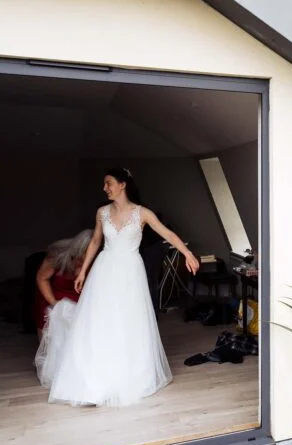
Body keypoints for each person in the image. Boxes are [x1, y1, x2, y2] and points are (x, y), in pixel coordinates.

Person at [46, 167, 200, 407]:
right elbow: (96, 241)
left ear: (122, 184)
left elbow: (167, 234)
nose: (105, 188)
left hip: (130, 271)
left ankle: (131, 375)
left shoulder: (143, 213)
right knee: (100, 319)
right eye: (104, 184)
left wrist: (187, 253)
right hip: (104, 270)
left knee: (128, 320)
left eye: (108, 183)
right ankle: (96, 376)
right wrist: (84, 270)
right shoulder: (102, 213)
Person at [32, 230, 93, 341]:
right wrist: (54, 303)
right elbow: (42, 278)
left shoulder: (97, 262)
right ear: (80, 249)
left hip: (80, 303)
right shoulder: (58, 255)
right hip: (54, 297)